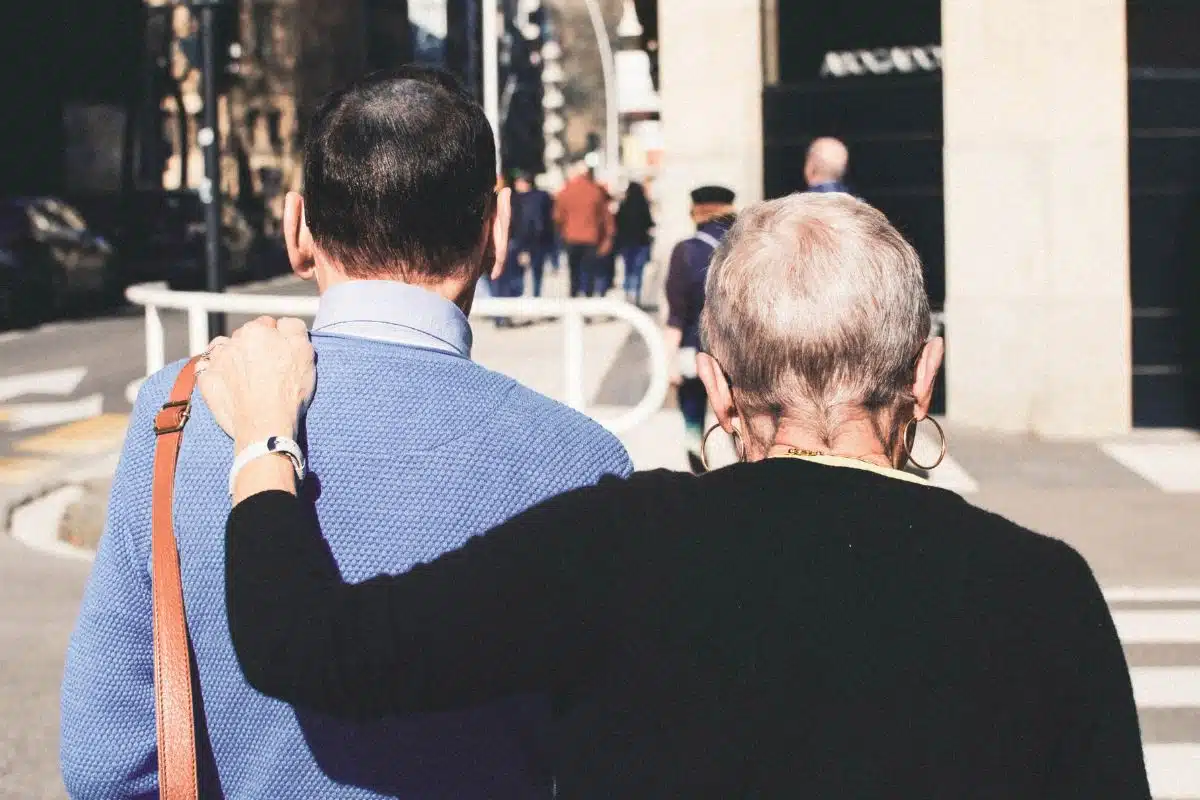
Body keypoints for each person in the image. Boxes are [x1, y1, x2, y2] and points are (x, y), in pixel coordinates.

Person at [202, 191, 1150, 798]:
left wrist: (265, 434)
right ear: (925, 372)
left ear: (715, 382)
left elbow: (314, 649)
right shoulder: (1044, 591)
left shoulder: (617, 545)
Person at [59, 67, 632, 799]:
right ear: (496, 231)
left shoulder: (176, 415)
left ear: (297, 228)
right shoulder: (580, 462)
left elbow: (105, 763)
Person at [665, 185, 736, 473]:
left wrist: (668, 361)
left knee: (693, 423)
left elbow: (677, 315)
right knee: (740, 422)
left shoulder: (685, 252)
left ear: (696, 212)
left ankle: (701, 475)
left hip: (695, 351)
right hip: (737, 353)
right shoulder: (743, 249)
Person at [554, 162, 614, 297]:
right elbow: (605, 217)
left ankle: (574, 298)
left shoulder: (565, 191)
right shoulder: (595, 191)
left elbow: (558, 217)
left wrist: (562, 232)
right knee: (589, 273)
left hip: (571, 237)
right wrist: (607, 237)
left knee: (573, 273)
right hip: (591, 238)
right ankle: (588, 299)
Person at [504, 171, 556, 300]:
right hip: (540, 241)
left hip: (524, 242)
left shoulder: (520, 200)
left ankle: (520, 301)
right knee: (536, 274)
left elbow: (526, 224)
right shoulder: (542, 197)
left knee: (518, 275)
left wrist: (524, 248)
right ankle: (535, 299)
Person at [613, 181, 654, 306]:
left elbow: (617, 223)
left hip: (626, 243)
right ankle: (635, 298)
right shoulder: (643, 205)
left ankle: (627, 297)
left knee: (628, 270)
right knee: (638, 271)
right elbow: (649, 223)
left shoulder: (623, 205)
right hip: (641, 243)